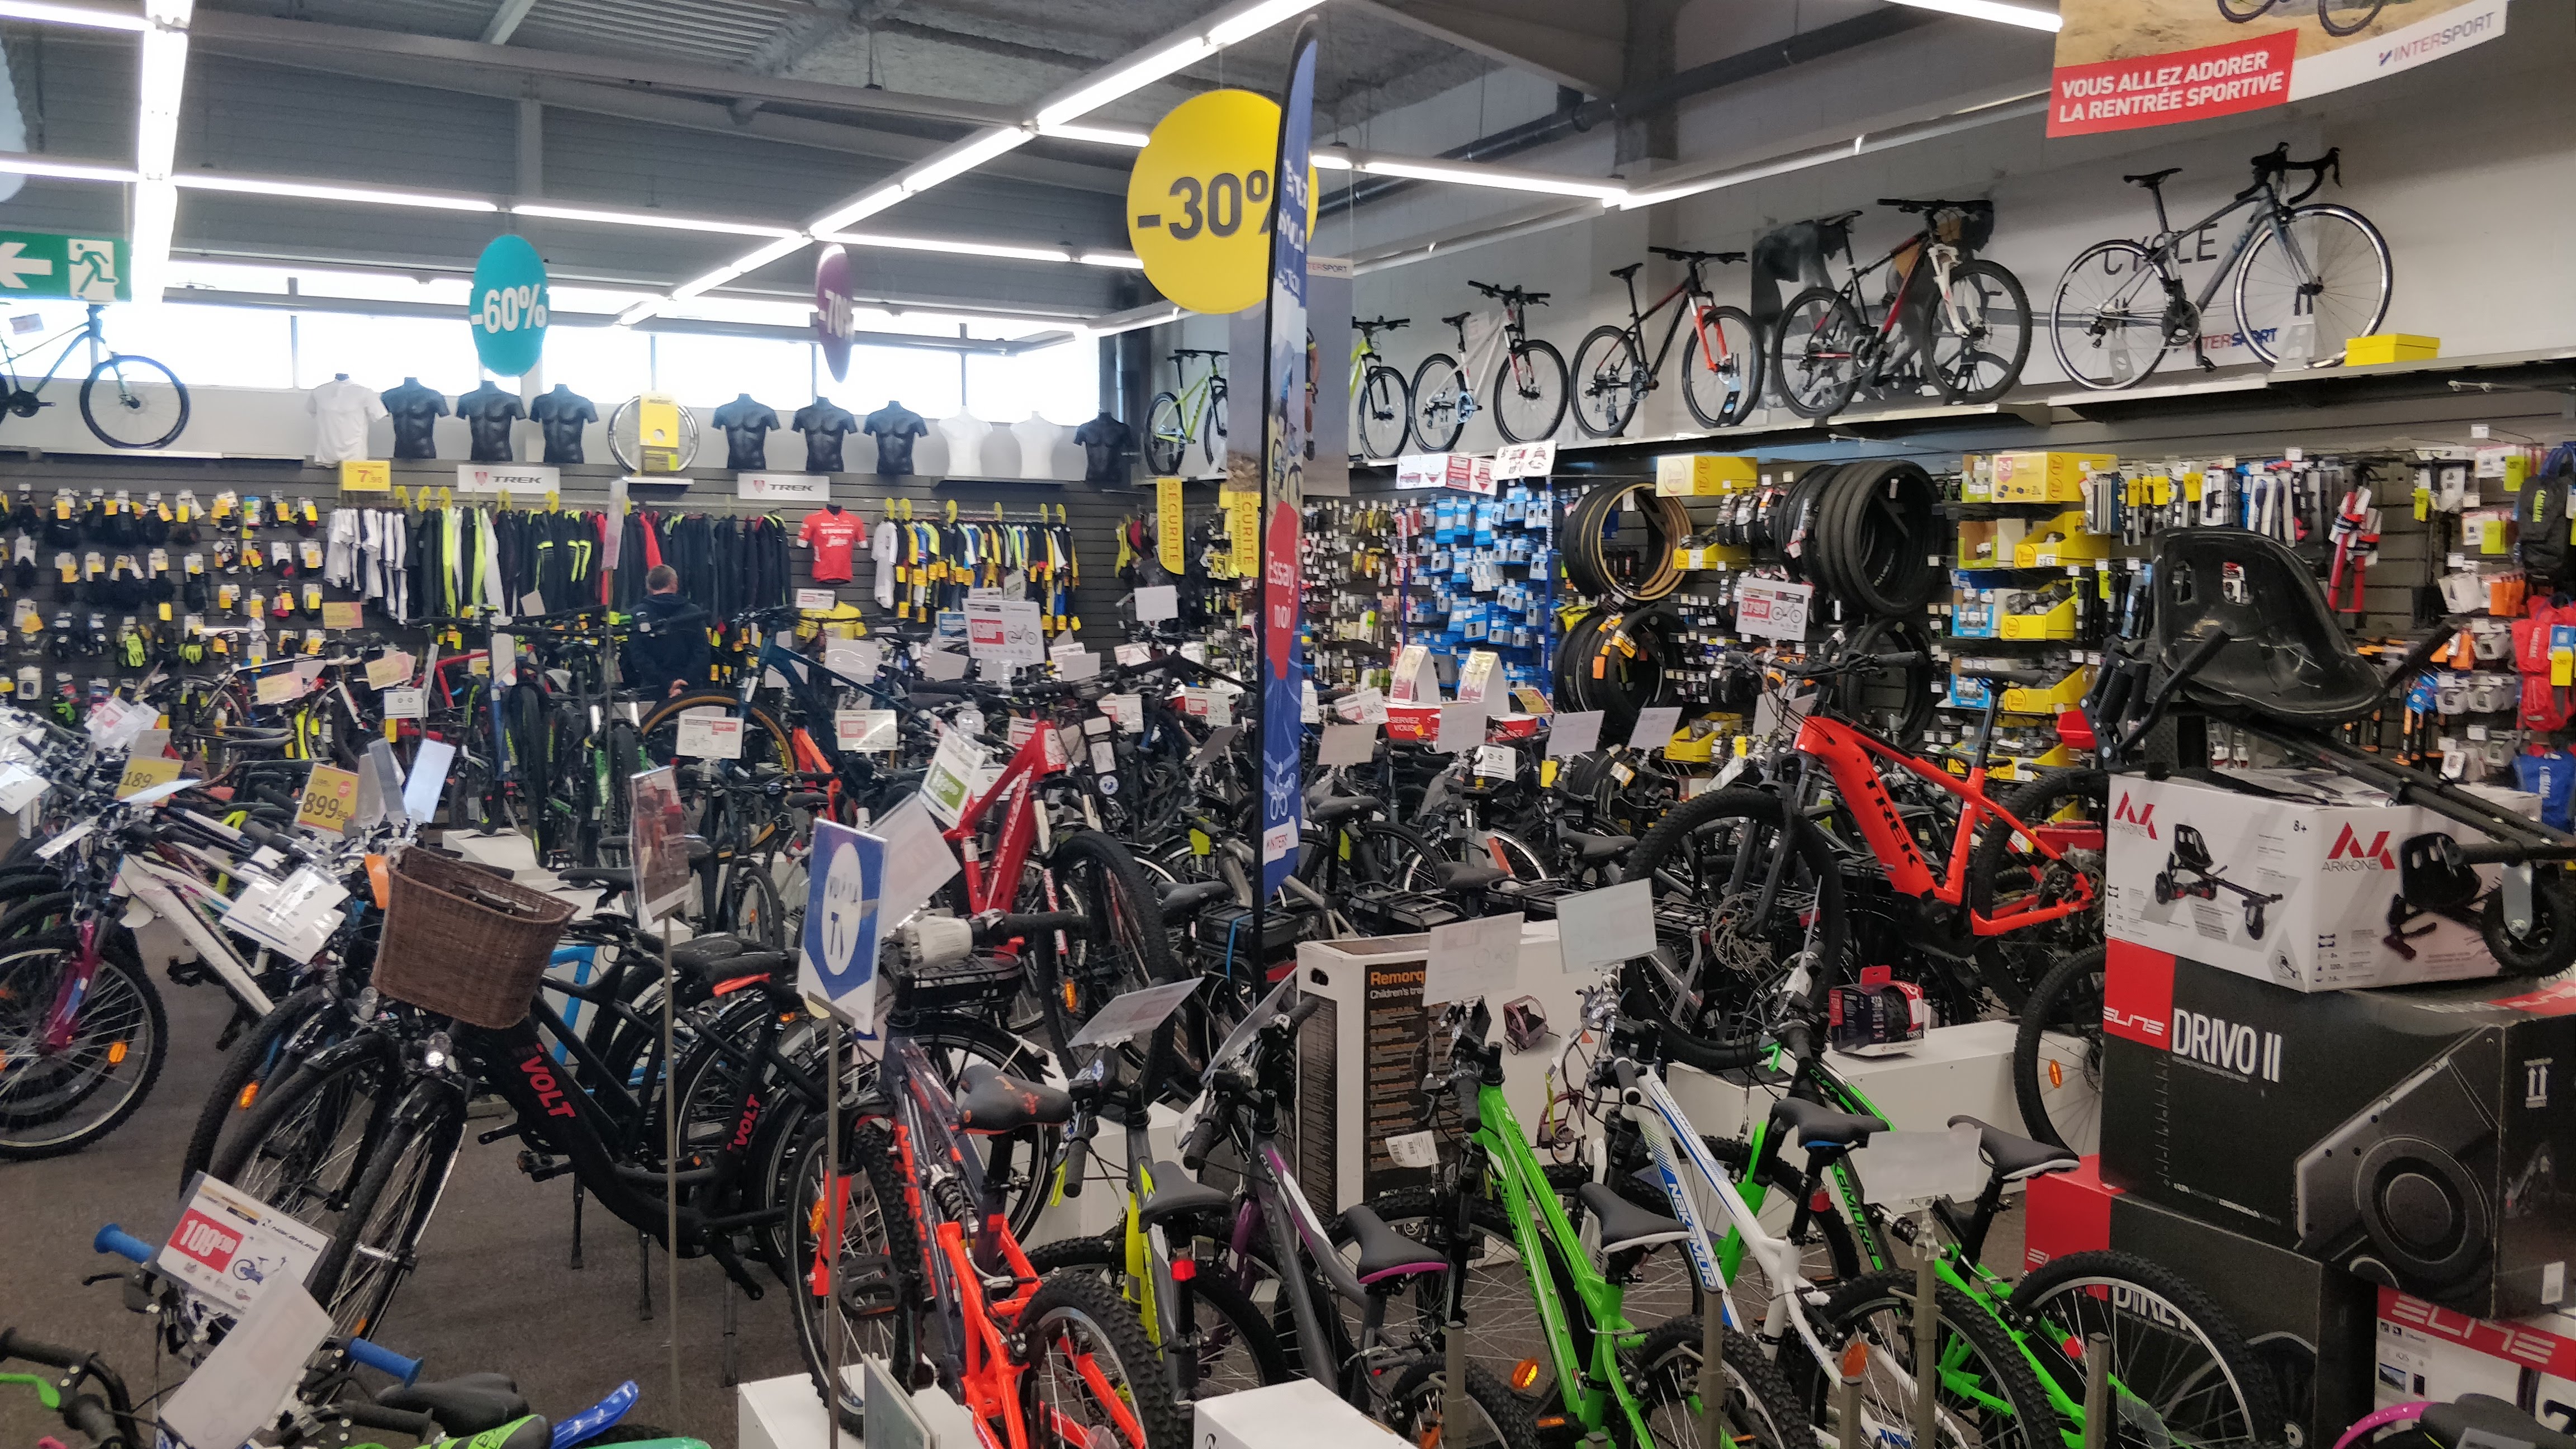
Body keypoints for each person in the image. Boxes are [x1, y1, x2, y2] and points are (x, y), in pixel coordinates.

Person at [625, 565, 709, 699]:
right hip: (691, 691)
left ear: (649, 587)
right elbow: (702, 652)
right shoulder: (694, 613)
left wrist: (667, 683)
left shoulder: (637, 615)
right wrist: (684, 683)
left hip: (653, 690)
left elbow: (638, 656)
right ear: (674, 584)